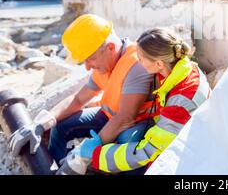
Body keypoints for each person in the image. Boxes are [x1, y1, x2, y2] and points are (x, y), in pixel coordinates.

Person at [56, 27, 211, 175]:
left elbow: (147, 152)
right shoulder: (171, 70)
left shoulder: (181, 99)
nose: (137, 62)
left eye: (141, 58)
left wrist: (95, 155)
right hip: (169, 135)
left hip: (190, 156)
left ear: (158, 63)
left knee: (130, 145)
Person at [9, 14, 155, 165]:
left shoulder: (136, 64)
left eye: (90, 59)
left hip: (137, 124)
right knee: (61, 126)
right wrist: (42, 123)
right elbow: (78, 99)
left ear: (110, 48)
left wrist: (85, 153)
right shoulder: (107, 62)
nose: (87, 67)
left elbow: (125, 118)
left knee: (127, 140)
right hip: (111, 116)